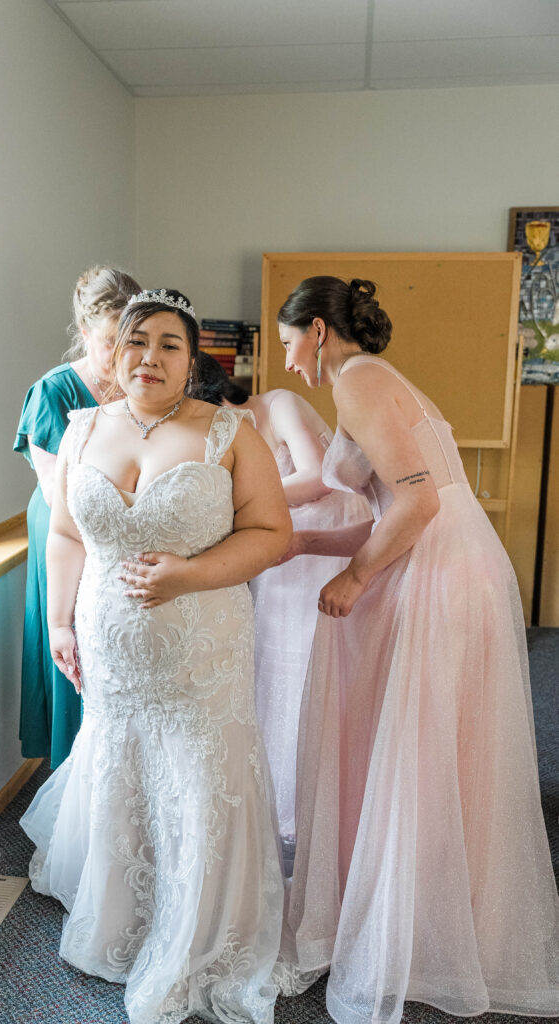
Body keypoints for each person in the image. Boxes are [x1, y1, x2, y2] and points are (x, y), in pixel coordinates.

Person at [276, 276, 559, 1021]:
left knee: (418, 745)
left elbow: (419, 503)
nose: (285, 363)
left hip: (434, 568)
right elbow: (386, 506)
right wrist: (306, 543)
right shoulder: (369, 378)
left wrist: (357, 577)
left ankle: (413, 929)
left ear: (314, 329)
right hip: (439, 555)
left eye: (285, 344)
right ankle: (420, 910)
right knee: (425, 744)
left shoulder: (360, 380)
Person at [20, 289, 293, 1024]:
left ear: (191, 357)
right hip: (110, 645)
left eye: (169, 344)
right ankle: (124, 921)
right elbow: (69, 535)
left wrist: (189, 572)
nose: (149, 356)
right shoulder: (82, 430)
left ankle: (201, 936)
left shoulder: (229, 431)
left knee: (201, 777)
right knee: (122, 767)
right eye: (136, 340)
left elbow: (272, 533)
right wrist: (59, 622)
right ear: (114, 349)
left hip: (203, 646)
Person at [195, 353, 371, 854]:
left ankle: (324, 794)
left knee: (312, 660)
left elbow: (319, 476)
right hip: (281, 550)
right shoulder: (218, 437)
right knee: (272, 663)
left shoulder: (280, 404)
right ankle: (281, 797)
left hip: (325, 540)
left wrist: (244, 501)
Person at [14, 265, 140, 768]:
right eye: (110, 341)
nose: (120, 355)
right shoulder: (53, 392)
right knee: (82, 646)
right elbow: (56, 489)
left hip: (121, 526)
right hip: (69, 529)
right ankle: (75, 774)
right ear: (85, 331)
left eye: (130, 339)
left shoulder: (139, 383)